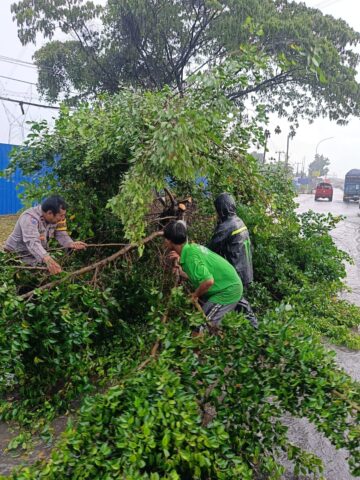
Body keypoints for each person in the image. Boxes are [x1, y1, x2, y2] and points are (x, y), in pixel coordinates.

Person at [164, 220, 243, 327]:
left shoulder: (190, 258)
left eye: (165, 239)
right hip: (225, 286)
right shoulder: (190, 249)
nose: (164, 242)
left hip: (228, 291)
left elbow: (208, 281)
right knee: (206, 326)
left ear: (170, 241)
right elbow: (198, 276)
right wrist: (182, 272)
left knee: (203, 326)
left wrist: (195, 295)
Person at [208, 192, 258, 328]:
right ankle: (242, 329)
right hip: (245, 270)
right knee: (237, 303)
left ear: (221, 208)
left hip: (236, 274)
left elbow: (211, 250)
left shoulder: (227, 226)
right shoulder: (239, 221)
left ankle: (256, 330)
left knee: (238, 302)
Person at [4, 195, 87, 275]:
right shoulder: (30, 218)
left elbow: (61, 233)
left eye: (64, 215)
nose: (63, 218)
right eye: (61, 215)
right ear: (49, 213)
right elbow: (32, 242)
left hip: (34, 256)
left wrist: (71, 243)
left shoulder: (57, 219)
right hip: (17, 256)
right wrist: (47, 259)